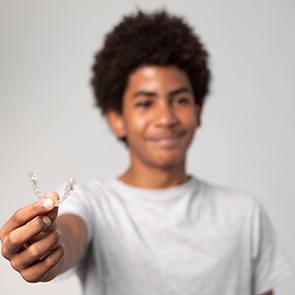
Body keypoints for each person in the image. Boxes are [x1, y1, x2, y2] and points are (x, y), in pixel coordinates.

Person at [0, 9, 292, 295]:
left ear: (198, 111)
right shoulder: (92, 203)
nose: (165, 117)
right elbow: (70, 235)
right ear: (117, 119)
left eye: (179, 99)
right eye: (145, 103)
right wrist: (49, 247)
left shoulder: (244, 213)